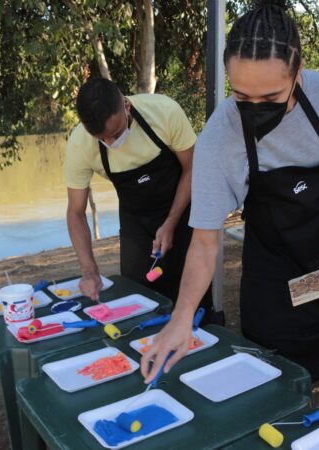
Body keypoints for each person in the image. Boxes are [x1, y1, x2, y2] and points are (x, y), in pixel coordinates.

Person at [140, 0, 319, 409]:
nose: (255, 108)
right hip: (272, 279)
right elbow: (205, 241)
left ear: (299, 73)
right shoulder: (221, 134)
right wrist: (181, 318)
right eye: (241, 94)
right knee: (273, 397)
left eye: (271, 96)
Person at [64, 78, 212, 316]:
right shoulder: (80, 144)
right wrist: (89, 269)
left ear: (127, 107)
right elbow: (75, 212)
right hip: (136, 223)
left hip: (184, 213)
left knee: (193, 301)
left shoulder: (165, 112)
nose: (112, 144)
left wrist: (171, 223)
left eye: (116, 133)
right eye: (102, 139)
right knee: (138, 302)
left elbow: (193, 168)